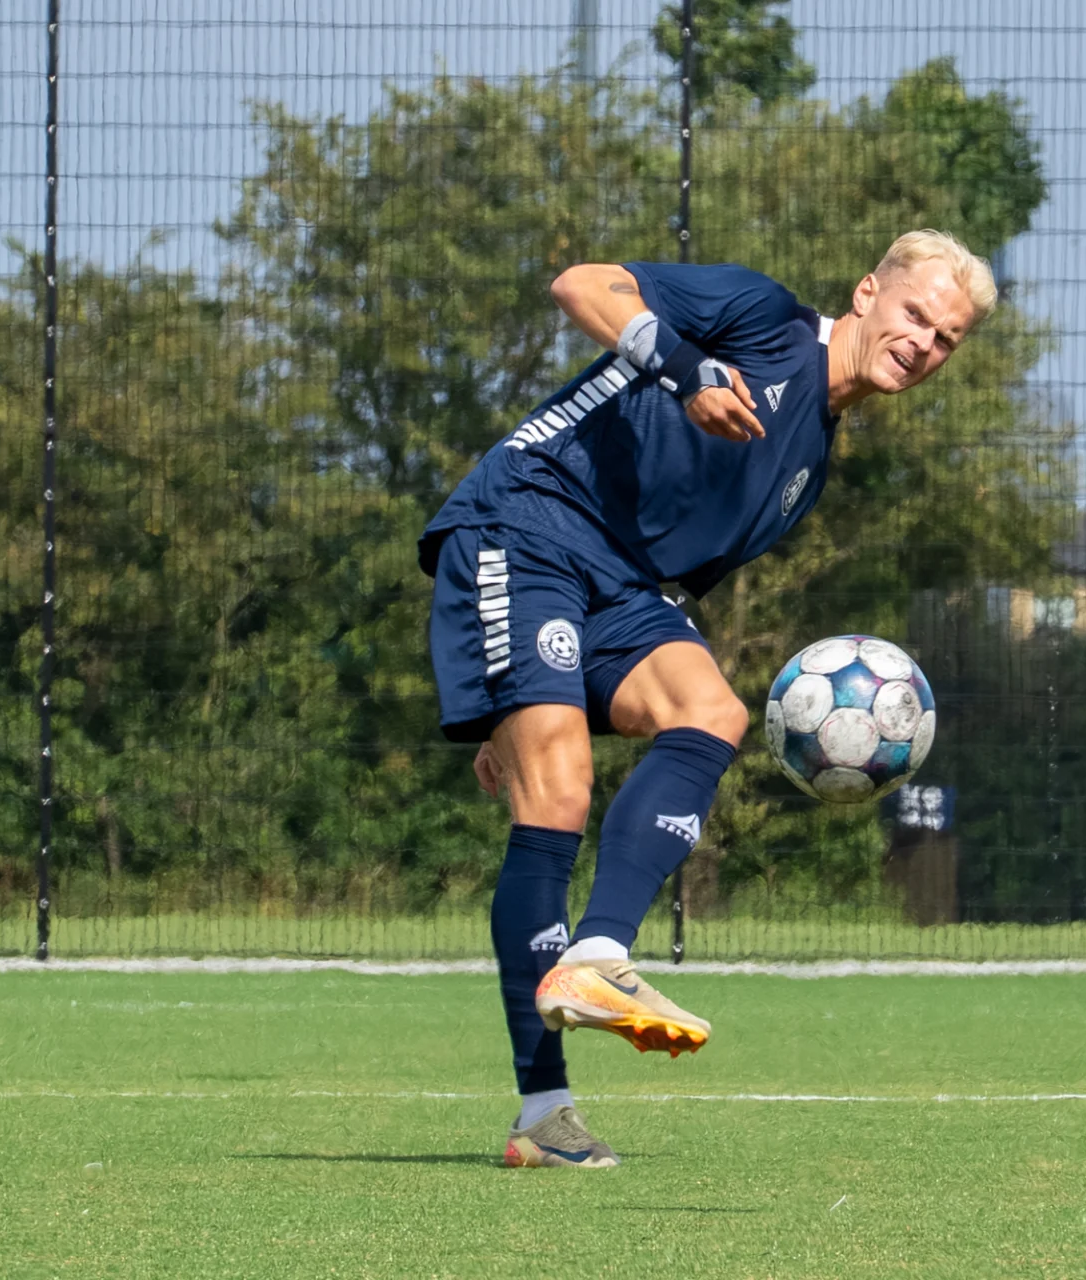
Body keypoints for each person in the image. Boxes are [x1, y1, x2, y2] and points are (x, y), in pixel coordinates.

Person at [418, 230, 995, 1168]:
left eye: (946, 339)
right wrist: (685, 371)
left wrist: (518, 695)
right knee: (557, 795)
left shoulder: (806, 466)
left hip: (626, 588)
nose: (922, 344)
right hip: (527, 521)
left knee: (714, 712)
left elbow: (681, 584)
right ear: (866, 296)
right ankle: (543, 1107)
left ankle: (599, 954)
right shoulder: (762, 317)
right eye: (915, 315)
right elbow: (580, 284)